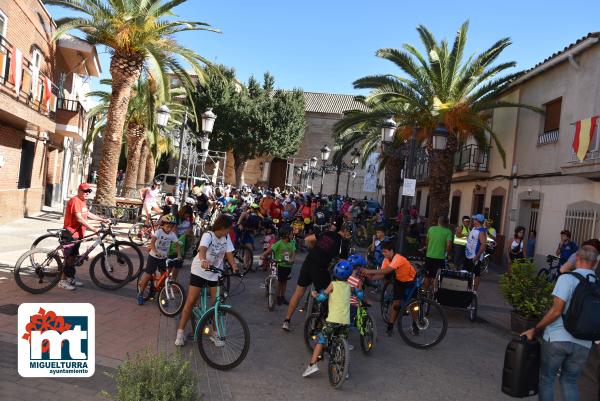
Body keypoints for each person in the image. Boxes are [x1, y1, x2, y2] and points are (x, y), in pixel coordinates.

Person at [521, 245, 599, 401]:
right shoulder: (597, 285)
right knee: (570, 381)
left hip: (558, 338)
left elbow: (556, 311)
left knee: (547, 378)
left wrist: (535, 329)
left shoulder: (567, 279)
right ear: (595, 263)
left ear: (577, 259)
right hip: (584, 343)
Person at [175, 215, 238, 347]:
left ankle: (215, 334)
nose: (230, 231)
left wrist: (234, 267)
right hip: (200, 270)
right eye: (229, 228)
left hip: (215, 272)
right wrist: (203, 260)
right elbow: (202, 249)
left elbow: (229, 254)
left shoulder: (226, 238)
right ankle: (180, 333)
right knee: (191, 301)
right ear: (222, 227)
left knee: (217, 304)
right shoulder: (208, 235)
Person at [282, 217, 352, 331]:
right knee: (329, 293)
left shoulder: (325, 233)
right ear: (344, 232)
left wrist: (316, 249)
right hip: (320, 268)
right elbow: (344, 263)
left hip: (308, 262)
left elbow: (308, 239)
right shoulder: (341, 243)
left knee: (299, 291)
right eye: (348, 233)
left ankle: (287, 320)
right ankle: (322, 324)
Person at [302, 260, 357, 378]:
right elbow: (358, 293)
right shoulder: (349, 287)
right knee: (342, 342)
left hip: (333, 320)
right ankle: (344, 370)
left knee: (321, 340)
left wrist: (315, 295)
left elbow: (323, 297)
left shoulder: (333, 284)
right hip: (345, 321)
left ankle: (312, 365)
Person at [61, 183, 110, 290]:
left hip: (78, 234)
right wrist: (93, 229)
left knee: (73, 257)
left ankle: (70, 278)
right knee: (68, 258)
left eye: (89, 191)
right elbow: (79, 218)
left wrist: (102, 219)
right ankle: (62, 280)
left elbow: (88, 214)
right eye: (85, 191)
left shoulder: (83, 202)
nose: (87, 193)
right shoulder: (74, 200)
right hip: (71, 233)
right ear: (79, 191)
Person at [362, 241, 417, 336]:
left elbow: (388, 270)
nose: (384, 254)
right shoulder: (386, 260)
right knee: (396, 304)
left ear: (392, 251)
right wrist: (370, 278)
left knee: (414, 304)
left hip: (411, 281)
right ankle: (390, 325)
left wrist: (369, 271)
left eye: (385, 252)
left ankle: (415, 324)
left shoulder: (398, 258)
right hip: (399, 281)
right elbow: (382, 274)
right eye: (382, 252)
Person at [136, 215, 182, 304]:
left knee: (164, 276)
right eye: (168, 226)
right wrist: (156, 251)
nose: (169, 229)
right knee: (148, 274)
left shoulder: (172, 235)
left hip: (163, 258)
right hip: (153, 256)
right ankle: (140, 294)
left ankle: (161, 295)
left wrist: (179, 255)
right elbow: (152, 243)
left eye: (171, 227)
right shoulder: (159, 232)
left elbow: (177, 244)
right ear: (162, 225)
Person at [266, 225, 296, 305]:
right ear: (286, 235)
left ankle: (282, 296)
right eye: (291, 233)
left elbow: (293, 252)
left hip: (288, 266)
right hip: (280, 265)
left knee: (284, 282)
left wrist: (292, 260)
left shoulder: (292, 243)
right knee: (279, 282)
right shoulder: (279, 243)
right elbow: (271, 249)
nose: (292, 235)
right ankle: (278, 297)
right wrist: (263, 255)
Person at [423, 215, 453, 291]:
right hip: (440, 258)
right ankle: (433, 295)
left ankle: (424, 294)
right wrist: (448, 254)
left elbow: (427, 242)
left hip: (429, 256)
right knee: (436, 277)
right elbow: (449, 246)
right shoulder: (448, 232)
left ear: (438, 221)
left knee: (427, 276)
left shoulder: (431, 229)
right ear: (447, 223)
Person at [464, 214, 487, 291]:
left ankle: (474, 291)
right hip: (468, 255)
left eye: (474, 219)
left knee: (476, 274)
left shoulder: (481, 232)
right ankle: (467, 288)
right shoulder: (474, 228)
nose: (473, 221)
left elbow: (483, 245)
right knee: (467, 272)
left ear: (477, 221)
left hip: (474, 257)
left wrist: (477, 256)